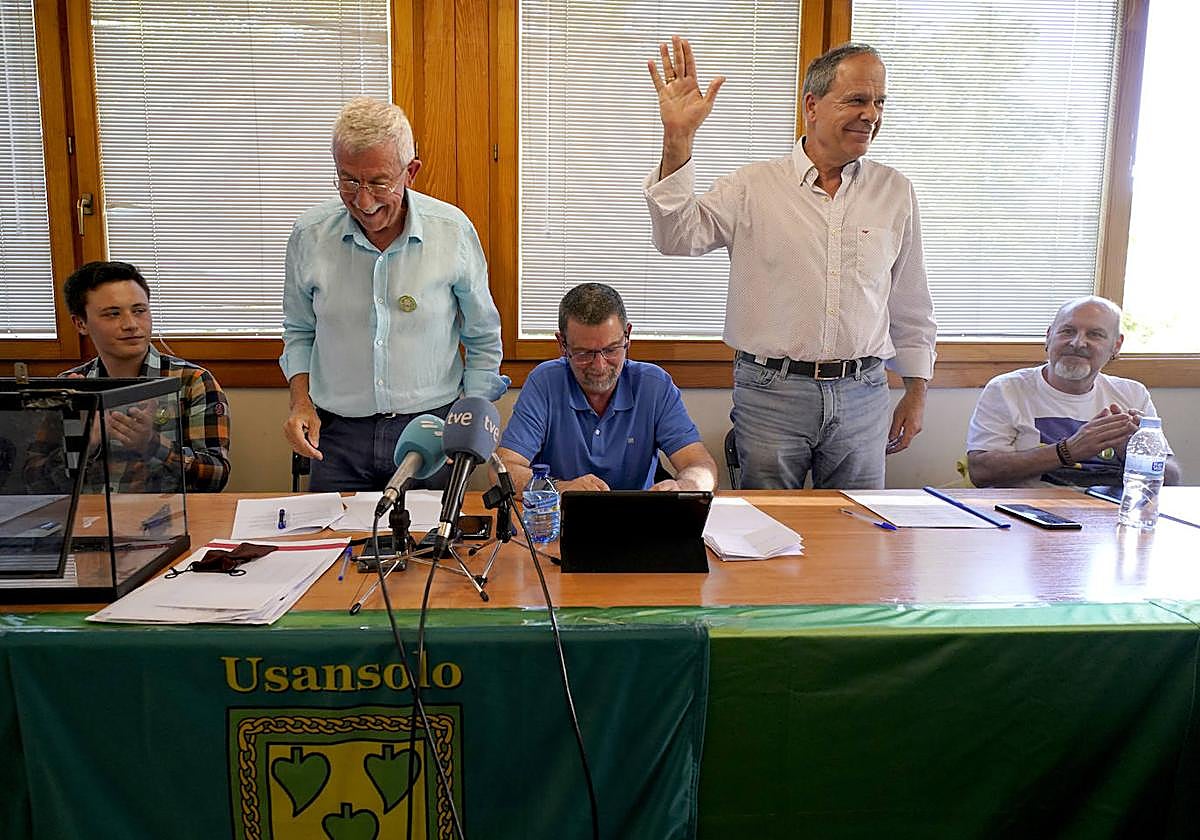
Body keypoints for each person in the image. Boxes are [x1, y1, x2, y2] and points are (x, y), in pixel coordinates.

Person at [643, 38, 936, 490]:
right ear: (812, 105)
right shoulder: (752, 187)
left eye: (879, 102)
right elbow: (677, 236)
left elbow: (910, 302)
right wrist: (678, 137)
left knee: (855, 537)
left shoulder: (895, 192)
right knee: (762, 533)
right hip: (770, 392)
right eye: (857, 99)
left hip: (864, 393)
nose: (871, 115)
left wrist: (916, 392)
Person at [280, 97, 506, 492]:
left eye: (379, 182)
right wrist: (301, 403)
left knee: (432, 550)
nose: (363, 201)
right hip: (337, 438)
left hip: (431, 430)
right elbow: (299, 331)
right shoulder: (308, 236)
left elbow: (483, 337)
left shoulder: (452, 232)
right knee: (338, 549)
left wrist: (468, 421)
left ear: (411, 171)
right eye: (348, 180)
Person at [25, 260, 231, 493]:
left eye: (139, 311)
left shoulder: (192, 381)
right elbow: (32, 483)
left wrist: (152, 444)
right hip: (87, 521)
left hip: (163, 521)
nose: (131, 324)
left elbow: (216, 476)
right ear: (80, 323)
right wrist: (81, 448)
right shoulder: (68, 389)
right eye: (113, 314)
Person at [497, 283, 718, 492]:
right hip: (561, 518)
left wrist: (684, 487)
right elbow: (504, 469)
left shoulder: (655, 386)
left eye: (612, 350)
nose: (600, 365)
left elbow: (701, 466)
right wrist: (560, 488)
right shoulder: (544, 382)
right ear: (562, 344)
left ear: (628, 336)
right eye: (585, 353)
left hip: (639, 519)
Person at [967, 296, 1181, 488]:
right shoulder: (1007, 389)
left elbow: (1171, 478)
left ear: (1116, 346)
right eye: (1067, 331)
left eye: (1095, 334)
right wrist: (1067, 451)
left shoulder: (1133, 393)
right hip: (1028, 518)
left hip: (1110, 518)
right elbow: (981, 472)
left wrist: (1134, 451)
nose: (1078, 343)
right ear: (1049, 336)